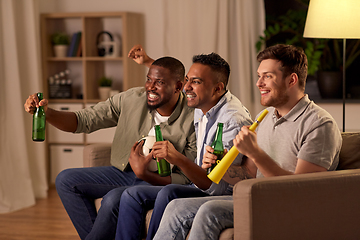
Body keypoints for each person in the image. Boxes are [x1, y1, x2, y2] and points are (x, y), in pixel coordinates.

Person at [153, 44, 343, 240]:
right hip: (257, 198)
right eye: (259, 76)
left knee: (210, 211)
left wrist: (255, 153)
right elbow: (249, 175)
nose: (259, 83)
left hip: (285, 207)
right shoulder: (266, 117)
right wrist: (221, 164)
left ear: (291, 80)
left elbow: (301, 192)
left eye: (267, 76)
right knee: (176, 206)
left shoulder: (319, 124)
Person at [24, 56, 197, 240]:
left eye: (160, 82)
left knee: (113, 198)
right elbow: (84, 120)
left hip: (157, 181)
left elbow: (187, 176)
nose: (150, 87)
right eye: (148, 79)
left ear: (178, 87)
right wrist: (46, 113)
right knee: (66, 180)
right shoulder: (131, 99)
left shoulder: (193, 117)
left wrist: (146, 174)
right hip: (123, 171)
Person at [114, 45, 253, 240]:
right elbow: (167, 79)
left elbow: (216, 186)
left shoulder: (233, 121)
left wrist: (177, 158)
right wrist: (147, 61)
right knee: (131, 195)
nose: (186, 87)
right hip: (197, 183)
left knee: (167, 193)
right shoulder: (202, 105)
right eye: (187, 80)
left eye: (195, 82)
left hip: (218, 193)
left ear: (218, 88)